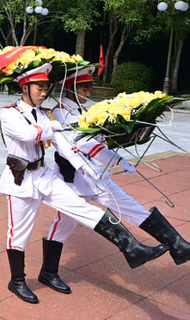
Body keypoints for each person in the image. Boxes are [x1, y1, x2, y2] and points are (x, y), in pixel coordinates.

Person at [0, 63, 167, 304]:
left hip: (44, 175)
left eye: (46, 88)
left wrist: (90, 169)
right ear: (25, 87)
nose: (44, 92)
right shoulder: (9, 113)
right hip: (20, 179)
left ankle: (132, 248)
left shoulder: (45, 115)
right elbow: (27, 135)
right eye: (39, 87)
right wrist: (53, 125)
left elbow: (68, 149)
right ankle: (17, 280)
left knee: (82, 208)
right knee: (19, 234)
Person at [41, 66, 190, 292]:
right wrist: (110, 153)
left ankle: (178, 245)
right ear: (70, 89)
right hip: (73, 181)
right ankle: (48, 272)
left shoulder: (85, 111)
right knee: (63, 226)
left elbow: (97, 146)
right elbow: (80, 144)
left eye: (90, 89)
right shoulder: (60, 112)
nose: (89, 93)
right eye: (84, 89)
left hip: (96, 177)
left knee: (131, 206)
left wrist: (119, 160)